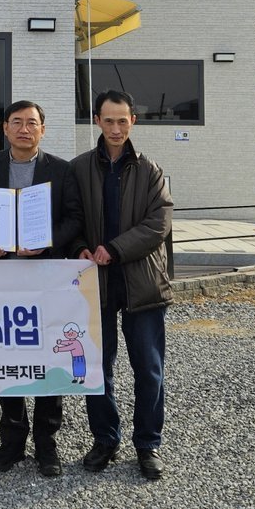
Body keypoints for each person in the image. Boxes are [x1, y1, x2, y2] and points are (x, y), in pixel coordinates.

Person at [0, 99, 84, 478]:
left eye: (31, 123)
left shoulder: (62, 170)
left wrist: (45, 243)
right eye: (17, 122)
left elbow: (74, 218)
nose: (24, 129)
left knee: (49, 355)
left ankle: (46, 442)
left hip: (45, 277)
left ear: (43, 129)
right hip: (3, 277)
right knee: (8, 356)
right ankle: (12, 440)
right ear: (5, 128)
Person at [69, 89, 173, 481]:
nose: (116, 128)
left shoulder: (150, 170)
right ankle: (105, 440)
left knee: (149, 369)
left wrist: (114, 248)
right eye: (109, 120)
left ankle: (148, 444)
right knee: (99, 368)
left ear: (133, 121)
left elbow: (158, 224)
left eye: (122, 121)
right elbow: (71, 218)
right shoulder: (79, 168)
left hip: (142, 283)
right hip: (95, 284)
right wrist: (78, 246)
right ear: (97, 121)